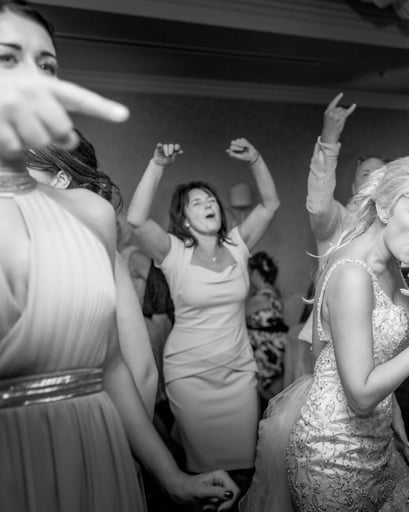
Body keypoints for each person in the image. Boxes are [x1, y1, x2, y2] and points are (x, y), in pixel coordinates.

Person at [0, 1, 238, 510]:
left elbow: (110, 368)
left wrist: (172, 476)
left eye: (46, 65)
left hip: (98, 450)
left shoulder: (89, 214)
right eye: (7, 58)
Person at [240, 156, 409, 512]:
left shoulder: (393, 264)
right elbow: (361, 395)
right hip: (334, 454)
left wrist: (390, 403)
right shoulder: (352, 274)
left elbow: (328, 351)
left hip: (377, 439)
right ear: (383, 208)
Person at [126, 137, 280, 493]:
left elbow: (271, 203)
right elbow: (135, 218)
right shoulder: (172, 251)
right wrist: (158, 165)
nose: (208, 203)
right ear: (183, 216)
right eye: (198, 202)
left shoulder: (238, 245)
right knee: (204, 471)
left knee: (244, 469)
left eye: (211, 199)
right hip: (190, 376)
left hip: (238, 374)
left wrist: (255, 158)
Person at [298, 92, 409, 463]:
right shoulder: (335, 221)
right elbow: (318, 199)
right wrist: (330, 136)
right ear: (355, 187)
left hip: (398, 363)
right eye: (368, 175)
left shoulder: (404, 236)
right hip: (343, 368)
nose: (378, 181)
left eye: (386, 176)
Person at [26, 128, 159, 416]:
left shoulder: (101, 255)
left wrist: (132, 456)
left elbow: (142, 370)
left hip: (84, 424)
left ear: (60, 180)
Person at [246, 251, 289, 411]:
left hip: (267, 349)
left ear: (256, 273)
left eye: (250, 272)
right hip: (275, 345)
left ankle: (274, 418)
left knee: (258, 386)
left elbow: (236, 317)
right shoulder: (273, 292)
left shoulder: (261, 298)